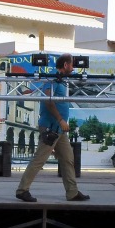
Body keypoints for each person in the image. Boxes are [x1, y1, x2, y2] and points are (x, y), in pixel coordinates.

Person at [15, 53, 89, 203]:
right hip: (51, 128)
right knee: (39, 159)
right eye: (71, 65)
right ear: (65, 65)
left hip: (59, 130)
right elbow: (48, 101)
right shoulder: (52, 81)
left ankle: (72, 192)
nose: (73, 68)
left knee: (68, 159)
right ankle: (22, 190)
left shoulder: (61, 82)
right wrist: (61, 120)